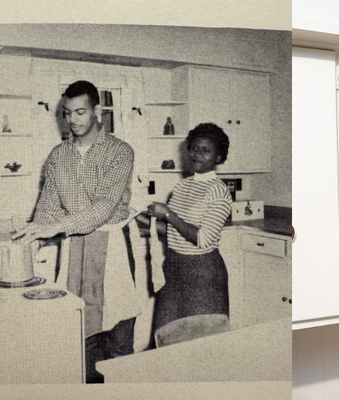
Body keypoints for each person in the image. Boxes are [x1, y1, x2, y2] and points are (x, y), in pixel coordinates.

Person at [13, 80, 142, 383]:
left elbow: (105, 205)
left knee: (119, 336)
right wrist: (31, 240)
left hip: (115, 250)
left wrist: (57, 226)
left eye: (81, 112)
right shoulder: (58, 155)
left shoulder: (120, 151)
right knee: (80, 335)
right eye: (68, 113)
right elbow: (47, 207)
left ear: (97, 110)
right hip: (75, 251)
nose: (73, 120)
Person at [147, 122, 232, 347]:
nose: (198, 154)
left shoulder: (219, 190)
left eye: (206, 150)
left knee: (202, 346)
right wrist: (142, 221)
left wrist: (168, 213)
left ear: (218, 157)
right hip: (174, 268)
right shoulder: (182, 187)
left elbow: (203, 239)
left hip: (203, 274)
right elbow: (172, 231)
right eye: (194, 148)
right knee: (164, 339)